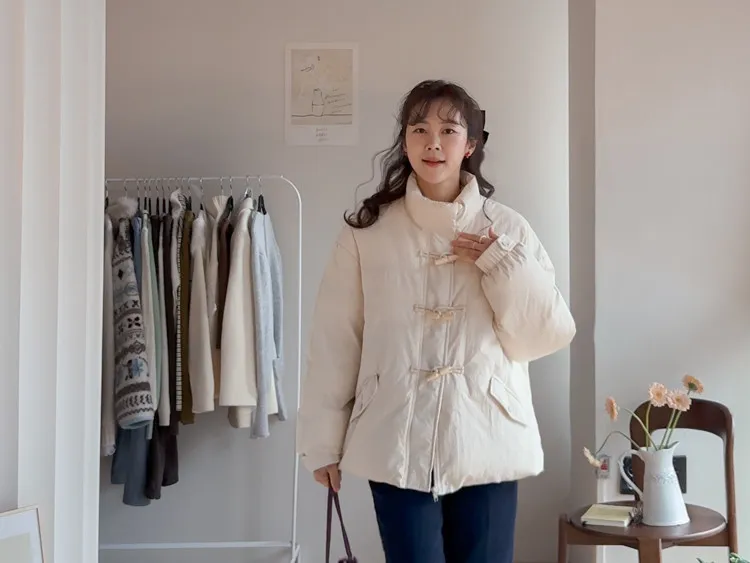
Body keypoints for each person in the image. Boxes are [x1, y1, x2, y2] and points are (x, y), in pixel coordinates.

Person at [296, 79, 576, 563]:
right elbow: (336, 341)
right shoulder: (367, 232)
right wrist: (322, 442)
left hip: (487, 434)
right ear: (404, 142)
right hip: (395, 433)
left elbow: (542, 336)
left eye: (449, 130)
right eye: (419, 129)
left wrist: (501, 264)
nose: (433, 142)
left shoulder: (507, 229)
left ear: (470, 145)